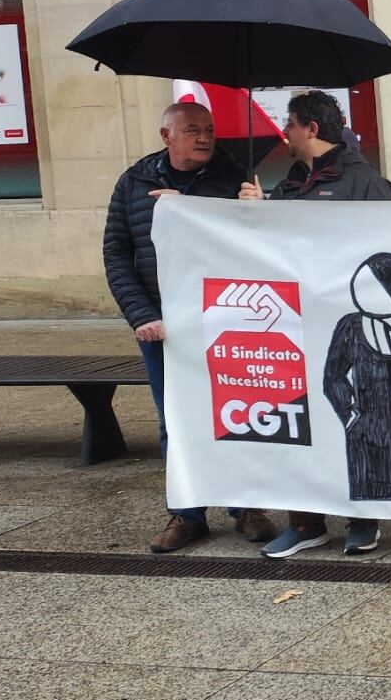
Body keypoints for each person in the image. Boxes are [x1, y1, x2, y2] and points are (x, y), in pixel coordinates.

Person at [104, 101, 276, 553]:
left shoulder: (234, 177)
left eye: (210, 130)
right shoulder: (134, 182)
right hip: (165, 326)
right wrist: (141, 314)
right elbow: (116, 254)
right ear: (167, 137)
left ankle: (247, 507)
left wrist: (253, 208)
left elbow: (259, 244)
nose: (204, 138)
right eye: (193, 130)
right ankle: (186, 512)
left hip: (225, 320)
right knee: (175, 421)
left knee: (238, 414)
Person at [237, 89, 391, 559]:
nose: (284, 132)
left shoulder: (361, 179)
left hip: (343, 322)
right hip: (295, 322)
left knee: (353, 419)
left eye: (289, 123)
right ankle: (306, 521)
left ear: (310, 128)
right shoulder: (291, 182)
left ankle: (362, 519)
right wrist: (257, 210)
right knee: (299, 419)